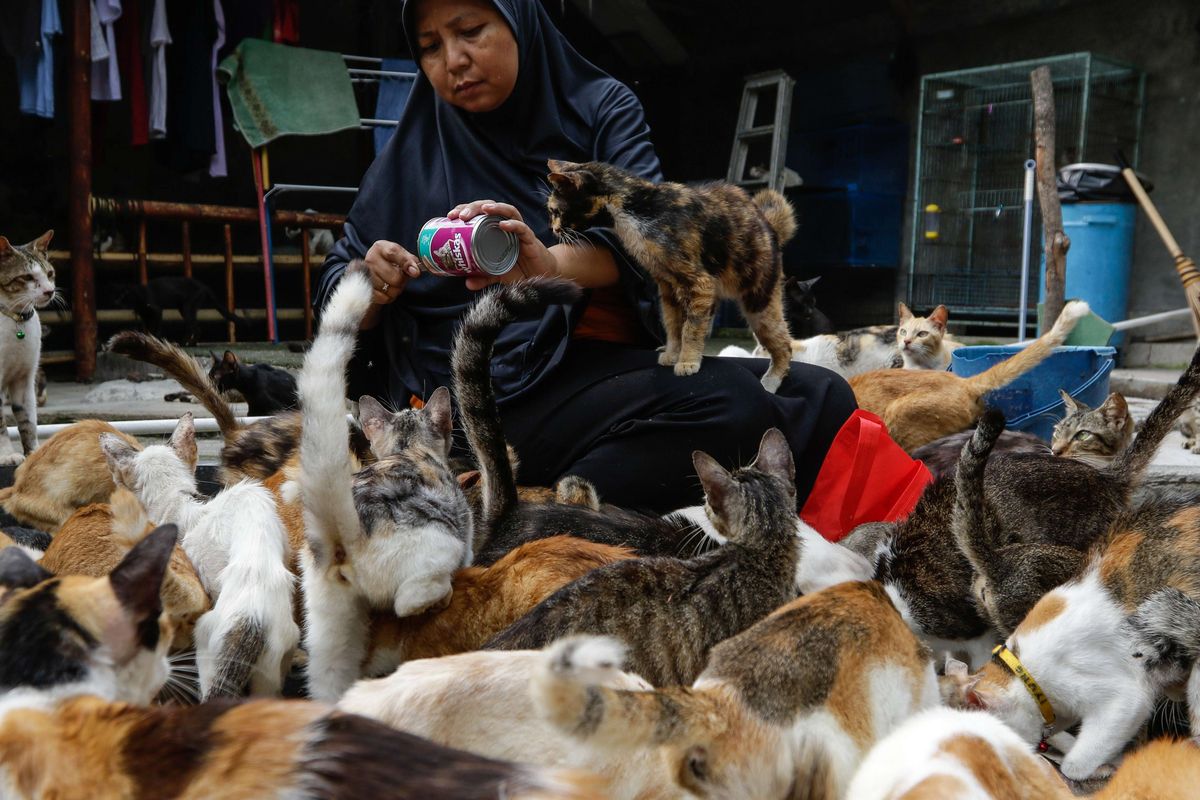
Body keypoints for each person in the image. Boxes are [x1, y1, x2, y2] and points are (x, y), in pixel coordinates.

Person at [315, 0, 856, 514]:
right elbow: (338, 291)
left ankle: (529, 500)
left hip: (581, 371)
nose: (453, 60)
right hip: (466, 395)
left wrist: (547, 264)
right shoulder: (408, 155)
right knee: (733, 409)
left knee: (817, 394)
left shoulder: (600, 108)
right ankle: (537, 514)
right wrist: (371, 283)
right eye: (430, 45)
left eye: (471, 31)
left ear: (518, 19)